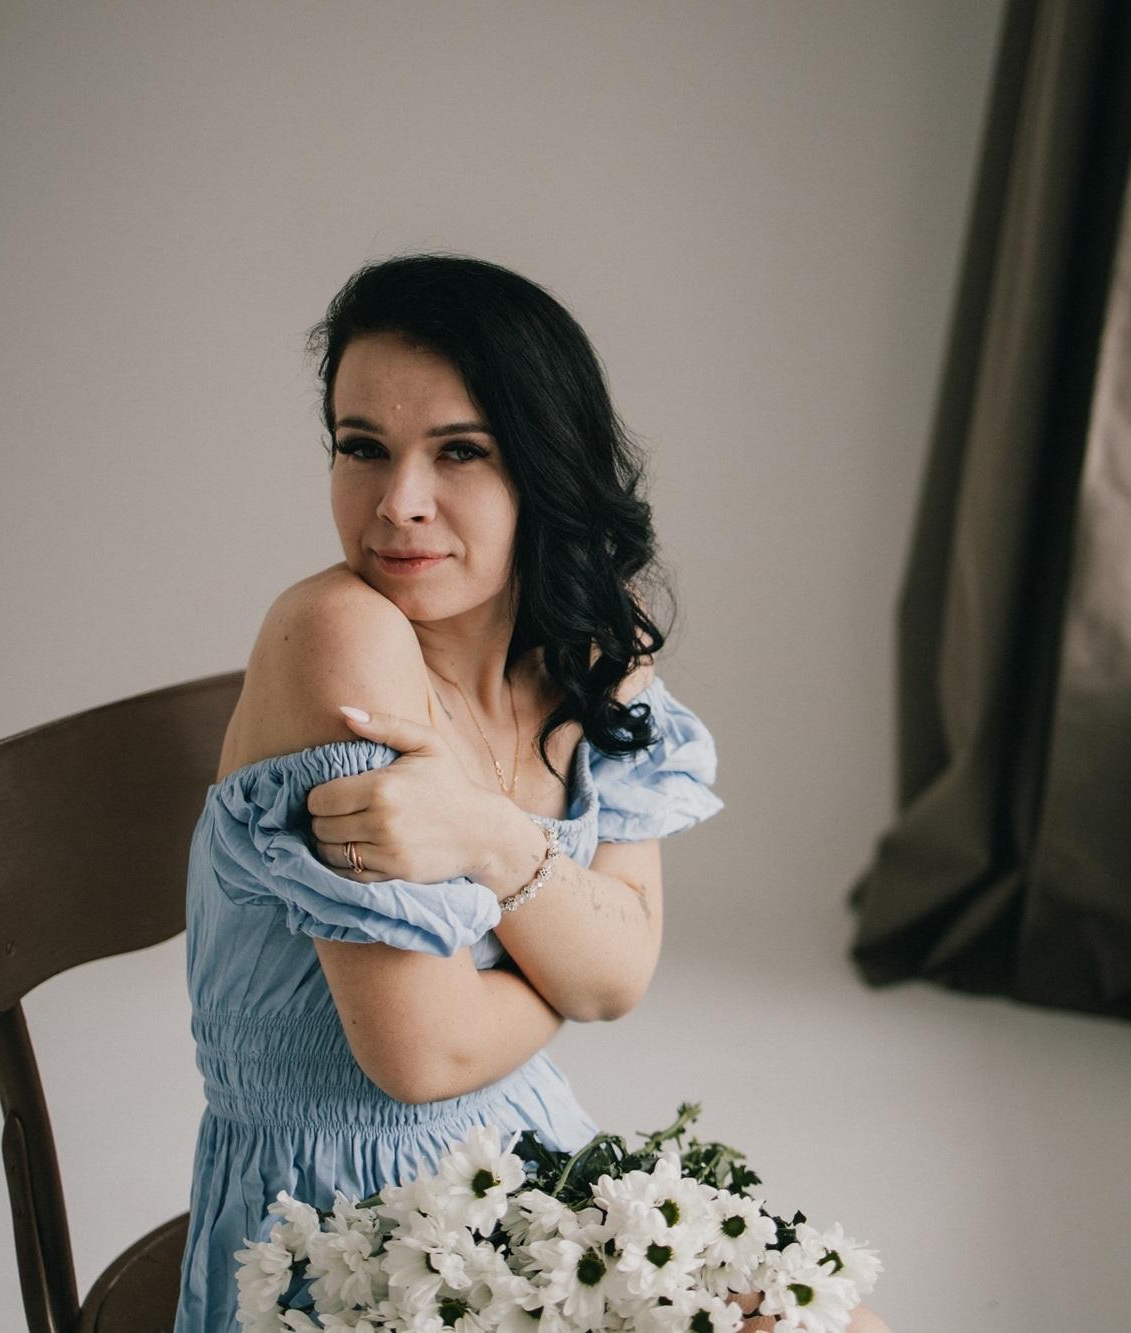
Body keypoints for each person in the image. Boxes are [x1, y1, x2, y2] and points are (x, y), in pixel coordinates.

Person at [173, 254, 888, 1332]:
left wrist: (490, 837)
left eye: (460, 450)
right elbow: (430, 1053)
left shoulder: (591, 645)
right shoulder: (339, 637)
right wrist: (577, 957)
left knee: (836, 1322)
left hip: (525, 1155)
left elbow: (614, 978)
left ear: (544, 465)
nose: (398, 504)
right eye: (362, 447)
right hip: (343, 1227)